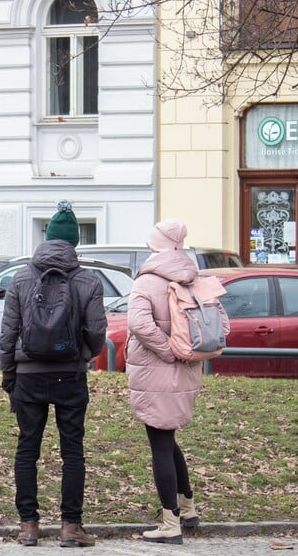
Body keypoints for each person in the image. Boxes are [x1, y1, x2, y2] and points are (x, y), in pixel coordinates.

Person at [0, 200, 107, 548]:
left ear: (46, 238)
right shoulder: (88, 280)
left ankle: (28, 525)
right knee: (72, 449)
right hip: (70, 375)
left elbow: (8, 332)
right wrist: (85, 355)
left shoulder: (21, 278)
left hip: (28, 375)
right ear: (75, 242)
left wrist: (9, 375)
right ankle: (70, 526)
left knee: (27, 449)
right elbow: (96, 331)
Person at [125, 219, 230, 544]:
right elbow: (221, 323)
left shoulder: (148, 281)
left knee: (159, 443)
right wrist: (180, 350)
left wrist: (167, 350)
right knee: (167, 440)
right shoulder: (193, 278)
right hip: (186, 371)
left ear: (155, 245)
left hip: (158, 370)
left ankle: (170, 522)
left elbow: (138, 323)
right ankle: (188, 508)